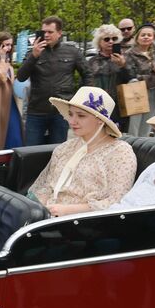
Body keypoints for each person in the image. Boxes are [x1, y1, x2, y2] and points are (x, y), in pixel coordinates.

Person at [28, 87, 136, 216]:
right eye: (71, 114)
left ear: (100, 119)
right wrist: (38, 208)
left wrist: (67, 211)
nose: (72, 121)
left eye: (81, 115)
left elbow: (117, 200)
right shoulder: (65, 148)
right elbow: (46, 186)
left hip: (84, 223)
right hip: (47, 215)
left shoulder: (120, 153)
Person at [17, 16, 85, 145]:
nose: (46, 35)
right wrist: (34, 56)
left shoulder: (72, 52)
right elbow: (21, 77)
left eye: (50, 32)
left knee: (57, 151)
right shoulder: (34, 52)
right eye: (44, 32)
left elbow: (88, 74)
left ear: (59, 33)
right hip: (36, 111)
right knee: (32, 153)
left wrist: (79, 99)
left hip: (61, 111)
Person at [122, 24, 155, 138]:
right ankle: (133, 147)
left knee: (148, 122)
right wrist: (151, 77)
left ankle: (144, 148)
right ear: (137, 38)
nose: (146, 37)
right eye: (143, 35)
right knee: (135, 123)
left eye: (149, 35)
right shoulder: (129, 53)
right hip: (136, 91)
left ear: (154, 37)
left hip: (153, 90)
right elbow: (130, 74)